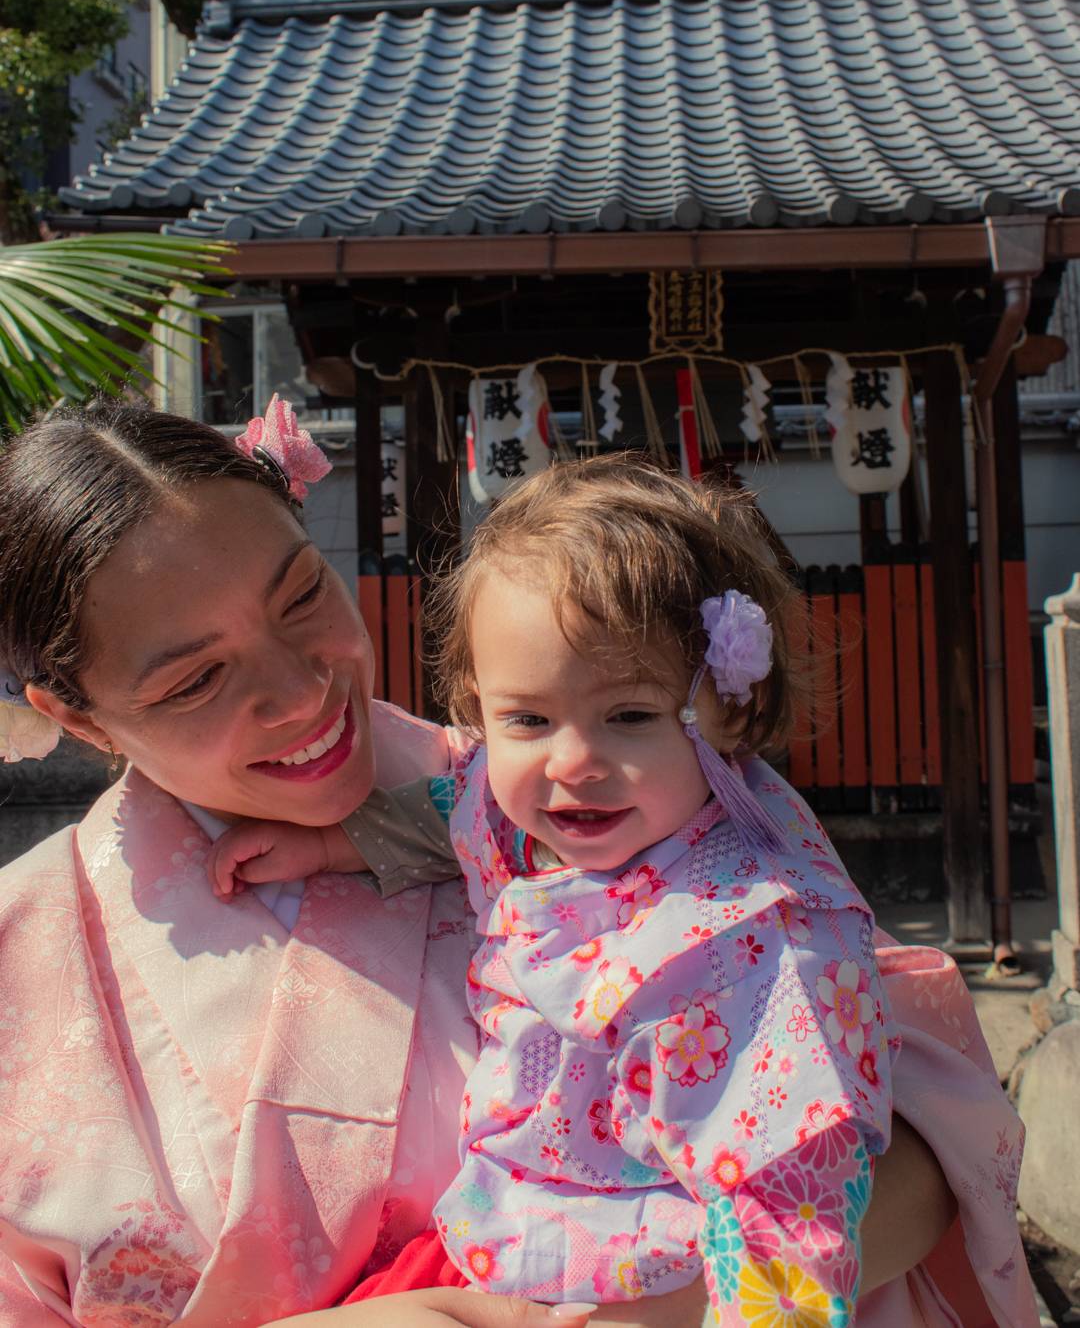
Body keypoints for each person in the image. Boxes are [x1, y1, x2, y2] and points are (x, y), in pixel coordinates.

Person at [0, 400, 1018, 1328]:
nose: (302, 692)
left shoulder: (614, 813)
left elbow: (922, 1136)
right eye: (196, 679)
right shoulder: (28, 955)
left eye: (302, 594)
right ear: (77, 717)